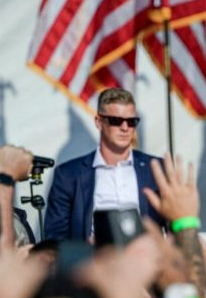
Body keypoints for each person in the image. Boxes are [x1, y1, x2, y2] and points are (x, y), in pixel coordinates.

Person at [44, 88, 164, 241]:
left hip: (146, 259)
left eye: (132, 121)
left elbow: (176, 225)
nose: (125, 128)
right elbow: (55, 236)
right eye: (116, 121)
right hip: (93, 261)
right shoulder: (68, 174)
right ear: (99, 122)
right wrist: (83, 250)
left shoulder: (156, 168)